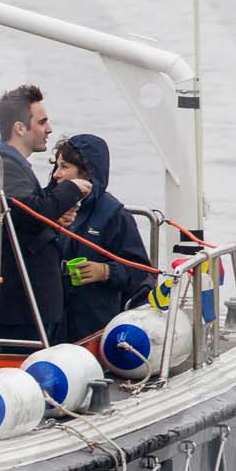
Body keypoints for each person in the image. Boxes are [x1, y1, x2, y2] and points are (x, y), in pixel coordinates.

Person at [0, 84, 89, 346]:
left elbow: (27, 211)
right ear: (20, 128)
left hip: (29, 303)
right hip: (20, 306)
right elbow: (29, 213)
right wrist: (71, 189)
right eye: (41, 122)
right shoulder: (3, 163)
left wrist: (55, 212)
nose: (49, 129)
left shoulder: (9, 164)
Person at [51, 134, 153, 343]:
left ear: (87, 173)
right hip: (52, 321)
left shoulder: (114, 215)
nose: (56, 175)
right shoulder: (49, 206)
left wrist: (105, 271)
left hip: (95, 324)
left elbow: (142, 271)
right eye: (55, 166)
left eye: (64, 166)